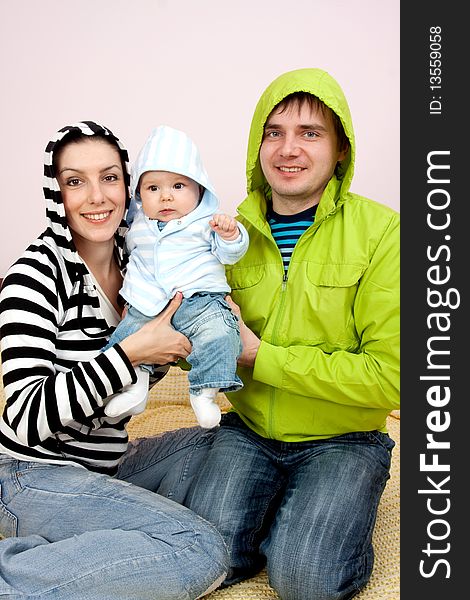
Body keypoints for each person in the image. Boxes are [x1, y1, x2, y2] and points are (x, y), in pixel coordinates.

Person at [182, 68, 400, 600]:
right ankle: (276, 508)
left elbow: (391, 379)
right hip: (249, 429)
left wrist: (261, 355)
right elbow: (203, 345)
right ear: (258, 144)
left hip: (344, 442)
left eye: (310, 133)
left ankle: (326, 514)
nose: (288, 149)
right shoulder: (229, 234)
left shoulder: (385, 234)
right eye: (274, 132)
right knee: (203, 560)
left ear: (341, 150)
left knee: (306, 580)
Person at [0, 121, 229, 599]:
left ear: (130, 185)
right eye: (75, 181)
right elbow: (23, 417)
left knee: (232, 441)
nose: (96, 197)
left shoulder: (141, 261)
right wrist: (128, 353)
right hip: (26, 473)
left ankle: (79, 545)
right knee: (198, 547)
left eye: (109, 177)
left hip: (106, 465)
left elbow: (147, 363)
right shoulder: (34, 276)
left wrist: (208, 327)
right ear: (56, 194)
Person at [102, 125, 248, 428]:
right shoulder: (137, 224)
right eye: (153, 188)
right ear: (139, 195)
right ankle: (136, 389)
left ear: (199, 189)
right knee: (125, 342)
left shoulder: (207, 222)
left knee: (221, 334)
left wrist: (231, 234)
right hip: (147, 303)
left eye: (178, 186)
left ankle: (204, 392)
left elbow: (229, 254)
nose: (166, 196)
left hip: (200, 302)